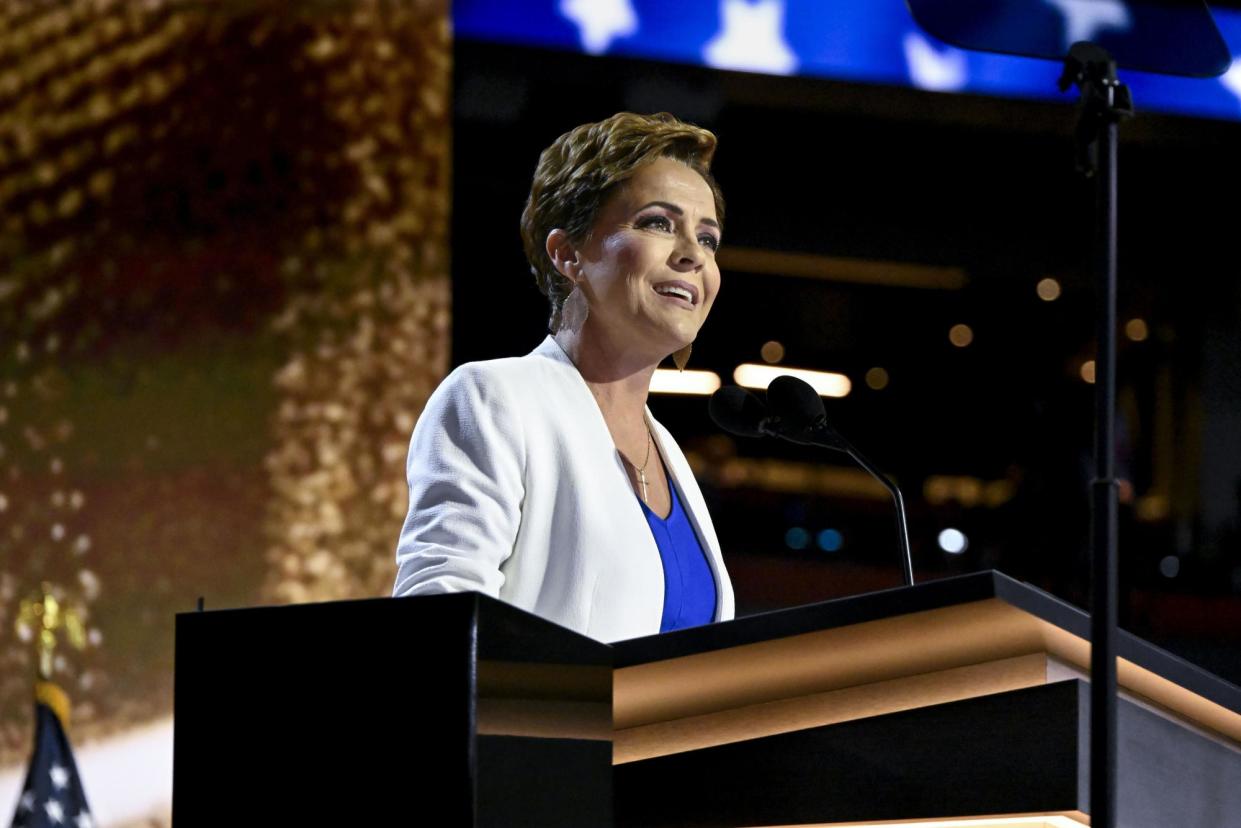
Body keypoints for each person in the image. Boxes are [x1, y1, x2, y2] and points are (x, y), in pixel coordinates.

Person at [393, 112, 734, 642]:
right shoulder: (495, 398)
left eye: (708, 238)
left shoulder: (670, 454)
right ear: (567, 254)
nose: (693, 255)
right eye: (657, 223)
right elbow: (440, 618)